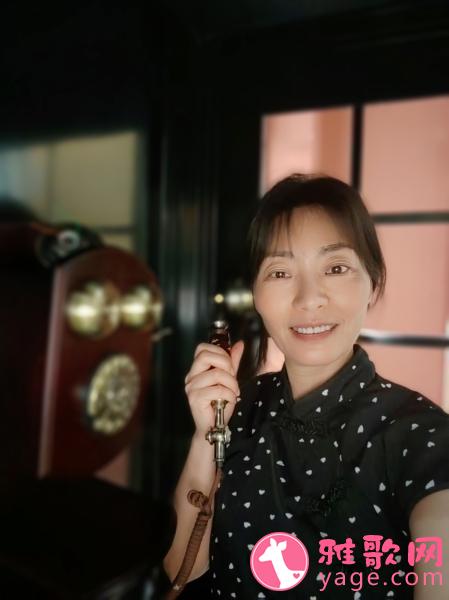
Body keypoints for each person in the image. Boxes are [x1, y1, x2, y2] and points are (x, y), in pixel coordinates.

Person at [163, 174, 449, 599]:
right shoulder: (242, 405)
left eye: (336, 268)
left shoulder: (420, 433)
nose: (308, 299)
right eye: (280, 272)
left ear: (372, 284)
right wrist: (208, 432)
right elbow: (180, 570)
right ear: (256, 295)